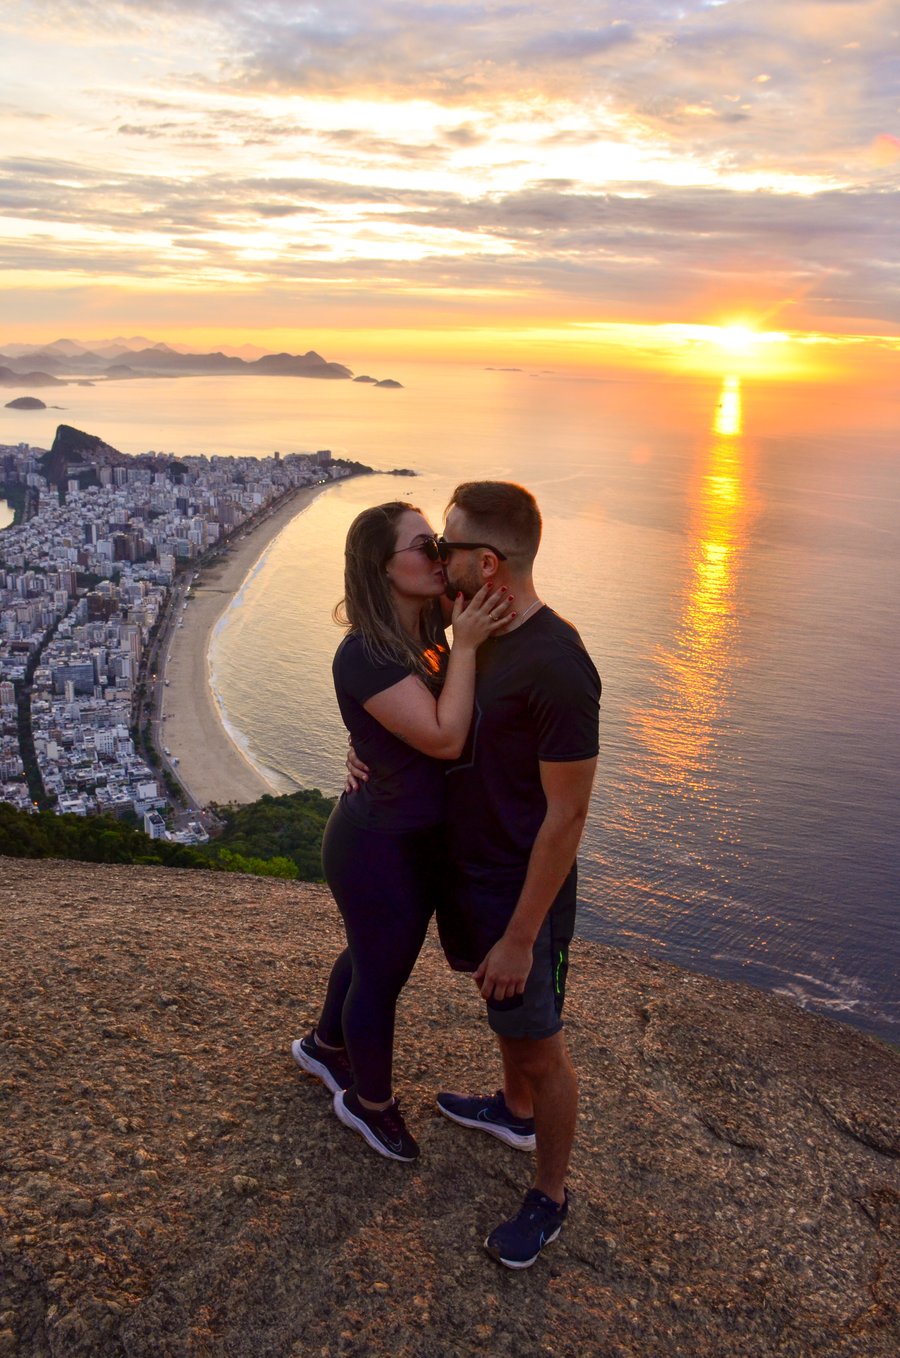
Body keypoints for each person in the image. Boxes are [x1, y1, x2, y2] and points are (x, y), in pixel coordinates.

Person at [348, 481, 600, 1269]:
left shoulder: (556, 665)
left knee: (540, 1045)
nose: (435, 555)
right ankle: (512, 1111)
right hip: (471, 875)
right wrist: (363, 752)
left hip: (519, 893)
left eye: (445, 545)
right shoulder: (472, 634)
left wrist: (524, 937)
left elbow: (567, 818)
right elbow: (411, 709)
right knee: (508, 1027)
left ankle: (550, 1197)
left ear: (485, 562)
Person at [292, 500, 512, 1163]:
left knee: (368, 955)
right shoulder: (364, 652)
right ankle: (369, 1104)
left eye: (440, 541)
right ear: (382, 570)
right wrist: (467, 646)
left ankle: (324, 1047)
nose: (440, 553)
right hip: (377, 846)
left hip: (410, 836)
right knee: (382, 975)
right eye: (424, 545)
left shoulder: (434, 629)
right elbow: (444, 738)